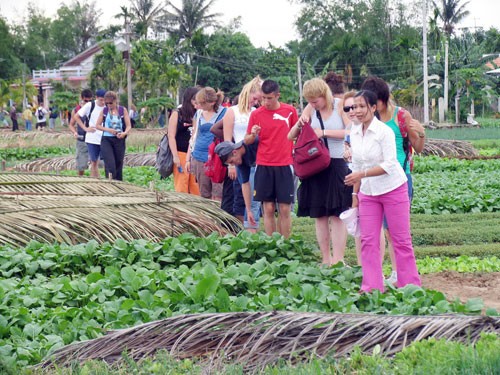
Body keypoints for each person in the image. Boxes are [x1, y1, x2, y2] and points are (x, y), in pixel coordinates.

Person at [344, 90, 421, 293]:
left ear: (372, 107)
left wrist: (362, 174)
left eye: (361, 106)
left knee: (400, 239)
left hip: (393, 188)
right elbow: (357, 164)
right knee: (368, 240)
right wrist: (354, 196)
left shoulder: (383, 132)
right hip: (368, 192)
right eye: (354, 107)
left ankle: (410, 287)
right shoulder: (354, 131)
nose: (357, 111)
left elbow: (389, 164)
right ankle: (371, 287)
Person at [361, 76, 426, 284]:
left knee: (395, 232)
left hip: (398, 180)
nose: (372, 107)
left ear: (383, 99)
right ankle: (376, 278)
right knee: (372, 234)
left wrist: (421, 134)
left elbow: (418, 147)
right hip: (373, 181)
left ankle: (399, 274)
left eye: (375, 102)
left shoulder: (401, 116)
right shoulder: (369, 120)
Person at [288, 78, 352, 265]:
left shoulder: (341, 106)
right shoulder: (310, 108)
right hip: (315, 165)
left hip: (336, 163)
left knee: (338, 214)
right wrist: (300, 124)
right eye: (310, 101)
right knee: (320, 215)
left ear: (324, 95)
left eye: (316, 100)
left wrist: (323, 133)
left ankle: (338, 260)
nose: (313, 104)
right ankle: (326, 259)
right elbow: (290, 136)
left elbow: (350, 132)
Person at [244, 80, 298, 238]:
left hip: (284, 164)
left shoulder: (290, 111)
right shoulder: (256, 114)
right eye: (263, 98)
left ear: (277, 96)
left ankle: (286, 244)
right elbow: (246, 140)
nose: (265, 102)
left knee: (285, 208)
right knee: (267, 208)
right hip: (264, 164)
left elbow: (297, 134)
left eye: (269, 98)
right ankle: (271, 243)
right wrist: (253, 134)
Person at [221, 76, 262, 228]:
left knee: (255, 195)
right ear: (248, 93)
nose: (255, 101)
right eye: (255, 98)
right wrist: (230, 166)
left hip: (255, 157)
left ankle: (251, 224)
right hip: (238, 158)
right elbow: (227, 142)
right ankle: (242, 227)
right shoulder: (232, 112)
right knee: (240, 195)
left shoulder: (256, 111)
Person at [186, 87, 227, 201]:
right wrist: (188, 159)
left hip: (217, 158)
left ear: (212, 103)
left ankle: (218, 217)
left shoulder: (225, 113)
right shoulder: (198, 114)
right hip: (199, 156)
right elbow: (193, 136)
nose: (198, 106)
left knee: (218, 193)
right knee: (204, 193)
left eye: (201, 104)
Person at [215, 139, 260, 232]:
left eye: (231, 161)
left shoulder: (252, 143)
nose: (233, 165)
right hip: (257, 170)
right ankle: (252, 233)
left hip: (273, 166)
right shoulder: (240, 162)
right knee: (251, 205)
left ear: (234, 152)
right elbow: (245, 184)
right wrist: (248, 210)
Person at [167, 87, 200, 195]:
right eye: (195, 99)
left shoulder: (199, 113)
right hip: (181, 153)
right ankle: (181, 211)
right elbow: (171, 136)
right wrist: (175, 156)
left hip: (195, 155)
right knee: (182, 186)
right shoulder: (178, 113)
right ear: (189, 99)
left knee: (196, 187)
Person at [95, 91, 132, 181]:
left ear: (115, 101)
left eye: (110, 103)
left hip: (119, 140)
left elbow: (128, 126)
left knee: (118, 165)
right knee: (110, 165)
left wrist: (124, 133)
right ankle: (110, 182)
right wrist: (109, 130)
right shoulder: (104, 111)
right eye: (106, 103)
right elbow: (98, 125)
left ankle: (119, 185)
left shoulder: (122, 110)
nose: (109, 105)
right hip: (107, 140)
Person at [74, 89, 106, 178]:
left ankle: (99, 181)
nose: (103, 102)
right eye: (101, 100)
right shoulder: (90, 105)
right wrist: (85, 128)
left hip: (105, 137)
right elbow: (76, 116)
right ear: (96, 98)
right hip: (92, 138)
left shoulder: (108, 106)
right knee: (94, 161)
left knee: (104, 161)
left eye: (104, 99)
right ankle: (94, 182)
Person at [68, 89, 93, 176]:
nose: (88, 102)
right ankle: (80, 179)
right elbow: (71, 125)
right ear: (82, 98)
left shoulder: (94, 108)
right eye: (86, 100)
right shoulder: (76, 110)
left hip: (93, 139)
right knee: (81, 164)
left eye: (90, 100)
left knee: (95, 163)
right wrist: (74, 132)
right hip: (82, 139)